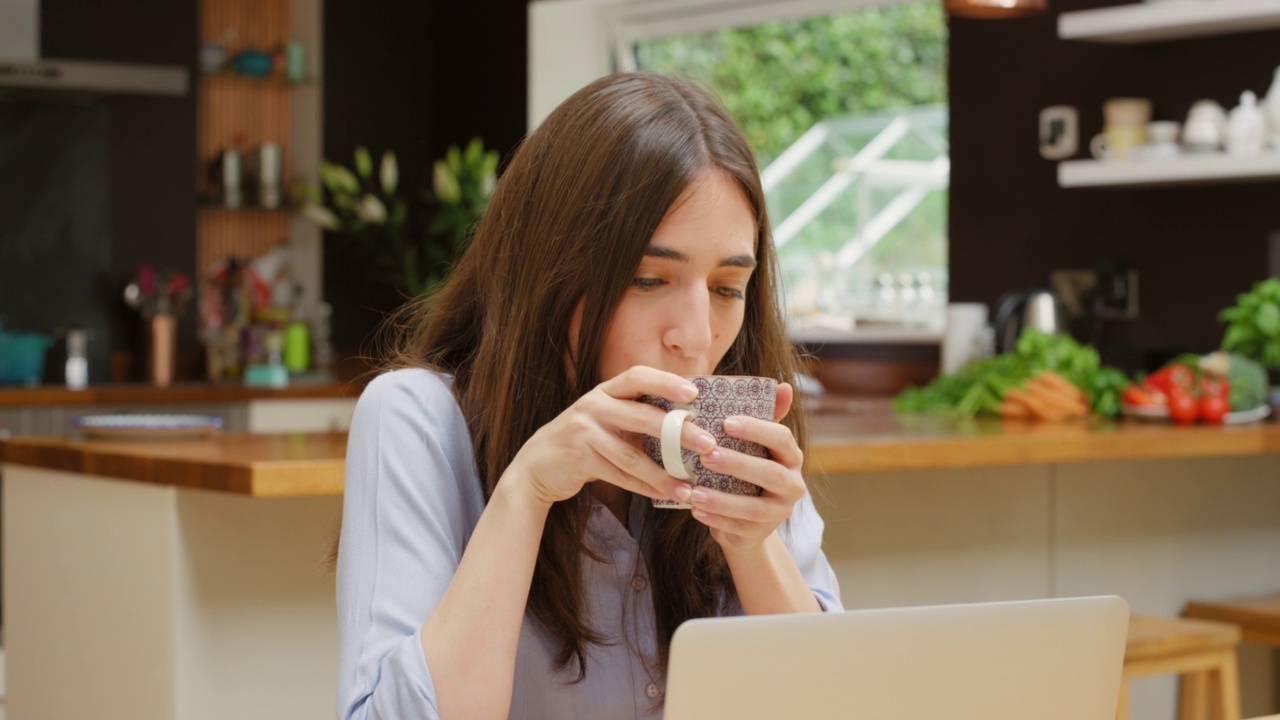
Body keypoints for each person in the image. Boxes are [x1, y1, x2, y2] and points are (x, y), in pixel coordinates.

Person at [335, 71, 843, 720]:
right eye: (648, 278)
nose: (694, 336)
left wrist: (751, 543)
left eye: (725, 289)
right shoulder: (418, 421)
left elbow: (824, 702)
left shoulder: (742, 437)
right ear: (552, 273)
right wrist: (527, 490)